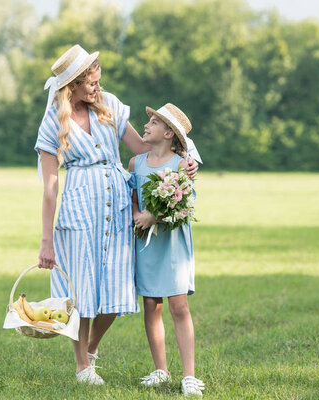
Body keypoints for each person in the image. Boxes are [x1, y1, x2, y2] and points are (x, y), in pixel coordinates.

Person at [34, 45, 198, 385]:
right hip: (79, 208)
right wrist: (46, 240)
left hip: (119, 204)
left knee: (117, 286)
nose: (97, 87)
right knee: (80, 290)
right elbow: (50, 185)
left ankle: (90, 348)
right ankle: (82, 367)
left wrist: (189, 154)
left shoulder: (108, 103)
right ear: (73, 86)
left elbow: (142, 147)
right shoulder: (53, 120)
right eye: (91, 83)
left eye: (97, 80)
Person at [128, 103, 205, 397]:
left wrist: (153, 216)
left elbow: (185, 205)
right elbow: (133, 196)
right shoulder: (137, 163)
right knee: (151, 304)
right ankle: (161, 369)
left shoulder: (181, 165)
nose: (145, 125)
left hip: (172, 243)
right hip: (146, 241)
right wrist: (138, 214)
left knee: (179, 306)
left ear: (168, 132)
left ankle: (189, 375)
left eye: (154, 122)